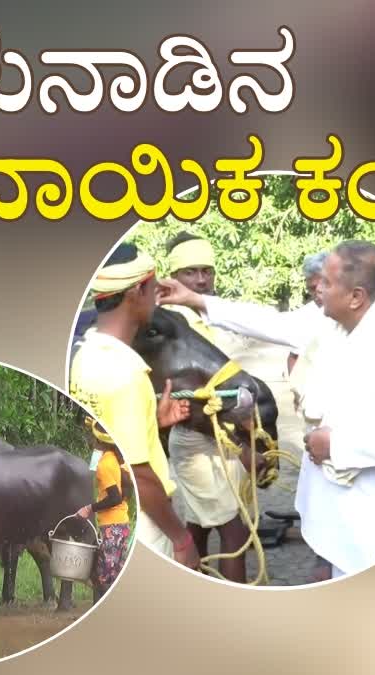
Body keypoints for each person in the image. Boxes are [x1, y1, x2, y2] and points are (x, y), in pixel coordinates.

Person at [158, 240, 375, 578]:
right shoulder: (339, 321)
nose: (317, 289)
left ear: (356, 296)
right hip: (351, 517)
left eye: (327, 283)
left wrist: (334, 446)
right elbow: (271, 323)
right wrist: (195, 299)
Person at [68, 243, 200, 569]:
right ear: (138, 290)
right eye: (154, 287)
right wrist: (181, 538)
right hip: (146, 523)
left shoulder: (84, 357)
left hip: (116, 514)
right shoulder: (127, 373)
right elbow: (139, 475)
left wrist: (152, 422)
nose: (156, 296)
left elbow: (102, 442)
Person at [156, 231, 252, 583]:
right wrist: (241, 439)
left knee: (197, 526)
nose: (200, 279)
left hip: (223, 436)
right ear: (174, 277)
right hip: (196, 438)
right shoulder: (166, 328)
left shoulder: (215, 317)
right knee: (234, 532)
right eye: (190, 272)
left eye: (206, 271)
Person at [75, 438, 132, 603]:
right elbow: (123, 494)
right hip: (122, 524)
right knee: (114, 574)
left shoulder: (105, 465)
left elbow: (114, 498)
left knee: (103, 577)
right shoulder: (119, 460)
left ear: (98, 440)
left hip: (111, 526)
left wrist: (89, 508)